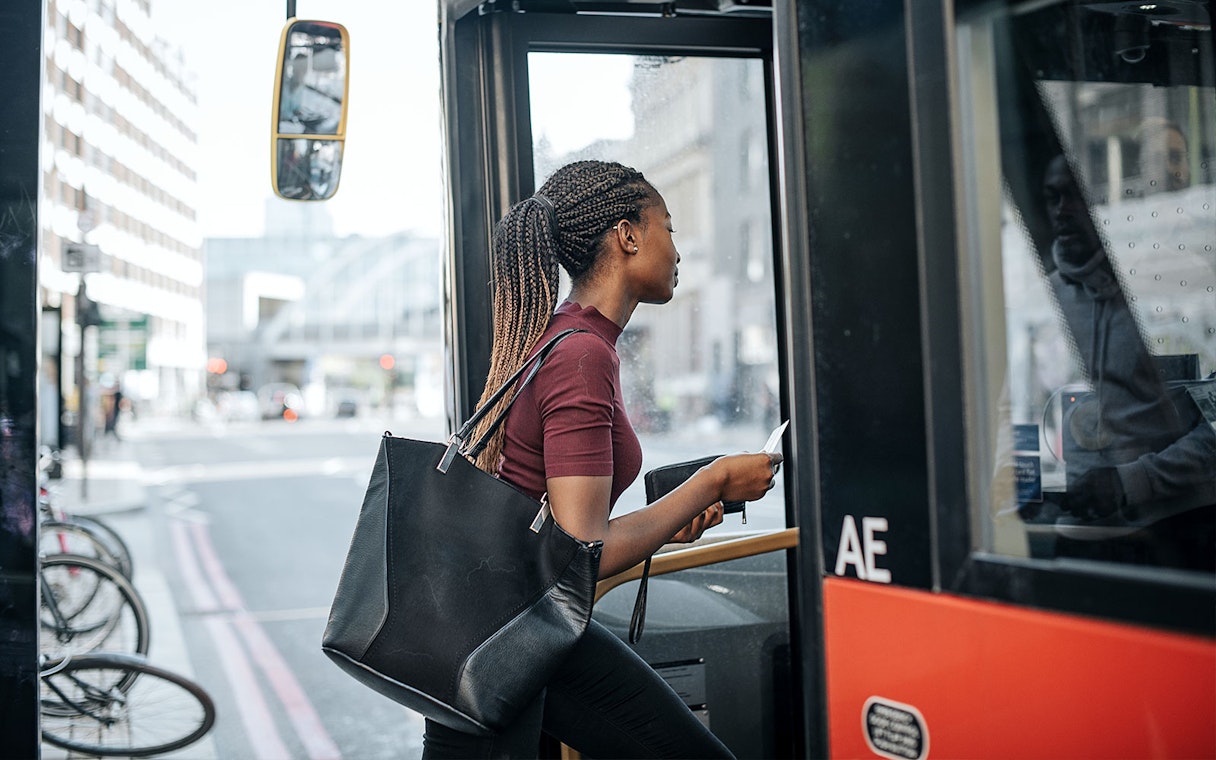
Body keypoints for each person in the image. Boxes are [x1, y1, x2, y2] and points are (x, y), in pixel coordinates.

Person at [421, 160, 781, 759]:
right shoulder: (582, 354)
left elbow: (571, 542)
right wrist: (714, 479)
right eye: (669, 226)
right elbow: (585, 546)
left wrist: (673, 515)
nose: (678, 248)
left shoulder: (570, 339)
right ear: (629, 235)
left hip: (515, 629)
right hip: (515, 637)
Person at [1038, 154, 1215, 561]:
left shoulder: (1173, 288)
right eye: (1052, 198)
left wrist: (1134, 482)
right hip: (1071, 534)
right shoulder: (1041, 298)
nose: (1062, 210)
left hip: (1181, 530)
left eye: (1074, 196)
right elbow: (1008, 413)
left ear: (1104, 200)